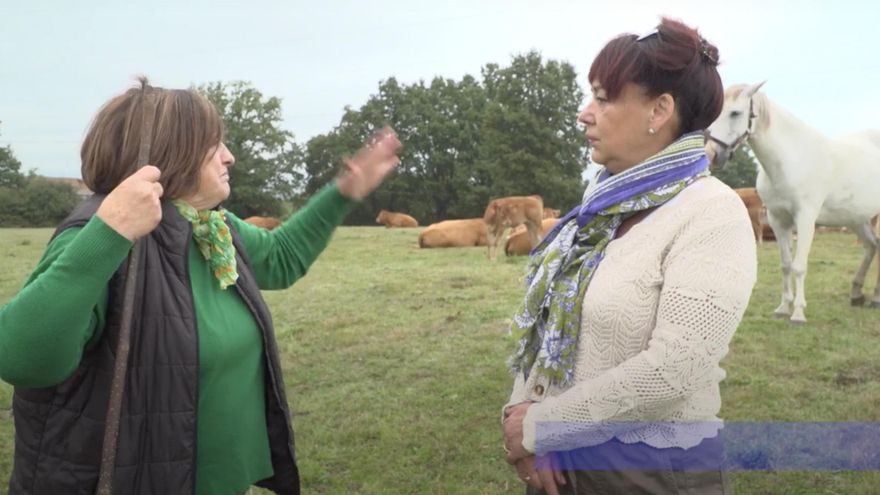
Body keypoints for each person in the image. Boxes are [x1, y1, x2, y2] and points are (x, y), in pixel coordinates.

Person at [0, 78, 401, 495]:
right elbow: (22, 359)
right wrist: (109, 234)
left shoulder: (209, 227)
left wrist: (343, 193)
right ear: (172, 154)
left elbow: (281, 256)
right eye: (215, 145)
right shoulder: (102, 234)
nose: (229, 157)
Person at [501, 18, 757, 494]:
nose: (585, 113)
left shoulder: (711, 213)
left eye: (603, 97)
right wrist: (524, 417)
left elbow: (675, 368)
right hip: (559, 466)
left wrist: (540, 426)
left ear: (659, 110)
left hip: (650, 474)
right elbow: (550, 327)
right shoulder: (597, 213)